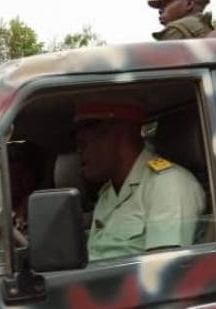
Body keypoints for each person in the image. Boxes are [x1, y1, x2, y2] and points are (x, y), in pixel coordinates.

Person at [73, 101, 205, 261]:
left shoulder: (167, 184)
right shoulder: (109, 192)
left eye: (84, 143)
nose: (79, 151)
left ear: (120, 136)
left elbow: (164, 272)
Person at [147, 0, 214, 41]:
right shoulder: (205, 28)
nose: (160, 10)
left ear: (189, 4)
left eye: (166, 4)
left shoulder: (178, 29)